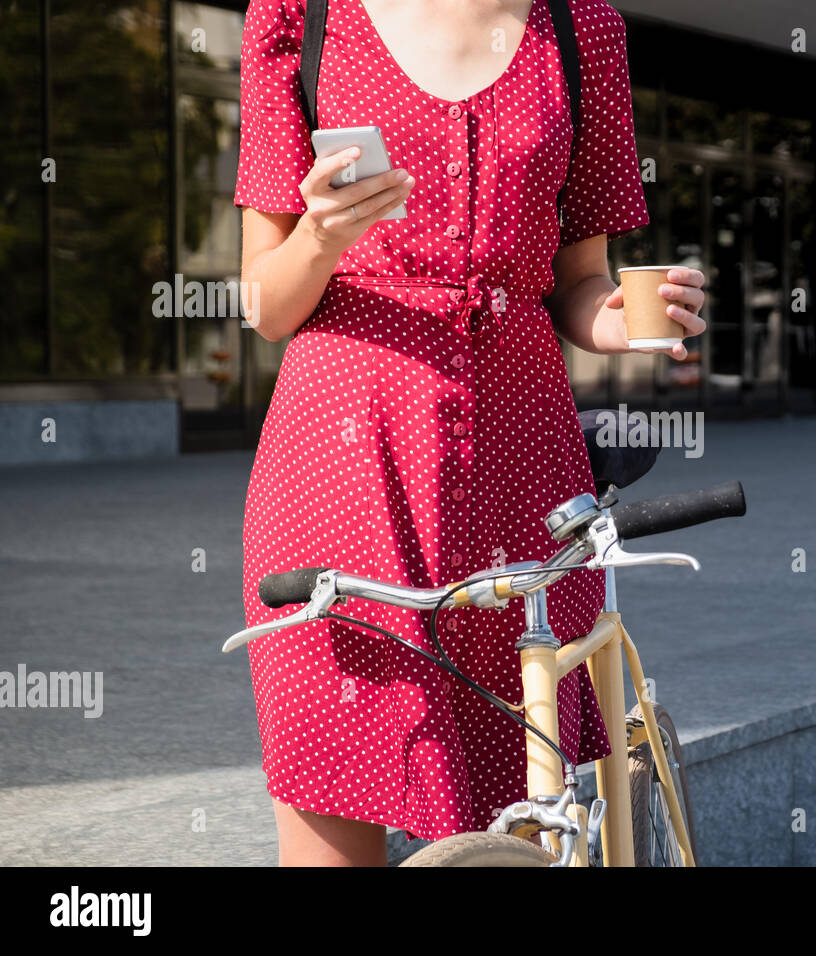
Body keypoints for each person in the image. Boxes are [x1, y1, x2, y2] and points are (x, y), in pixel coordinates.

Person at [234, 0, 706, 865]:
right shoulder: (297, 19)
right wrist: (320, 236)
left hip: (516, 466)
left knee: (517, 820)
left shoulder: (578, 25)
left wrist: (622, 321)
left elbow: (580, 281)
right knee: (332, 817)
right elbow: (265, 303)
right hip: (341, 469)